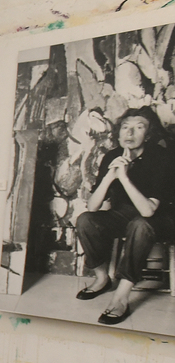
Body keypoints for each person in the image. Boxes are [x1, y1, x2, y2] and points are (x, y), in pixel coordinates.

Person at [73, 106, 175, 325]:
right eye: (125, 128)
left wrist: (125, 178)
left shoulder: (162, 158)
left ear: (148, 135)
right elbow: (92, 206)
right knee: (85, 221)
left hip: (161, 219)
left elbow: (148, 211)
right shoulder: (112, 156)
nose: (129, 133)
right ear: (118, 133)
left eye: (138, 128)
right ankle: (102, 279)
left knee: (140, 224)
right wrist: (110, 176)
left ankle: (121, 295)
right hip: (123, 215)